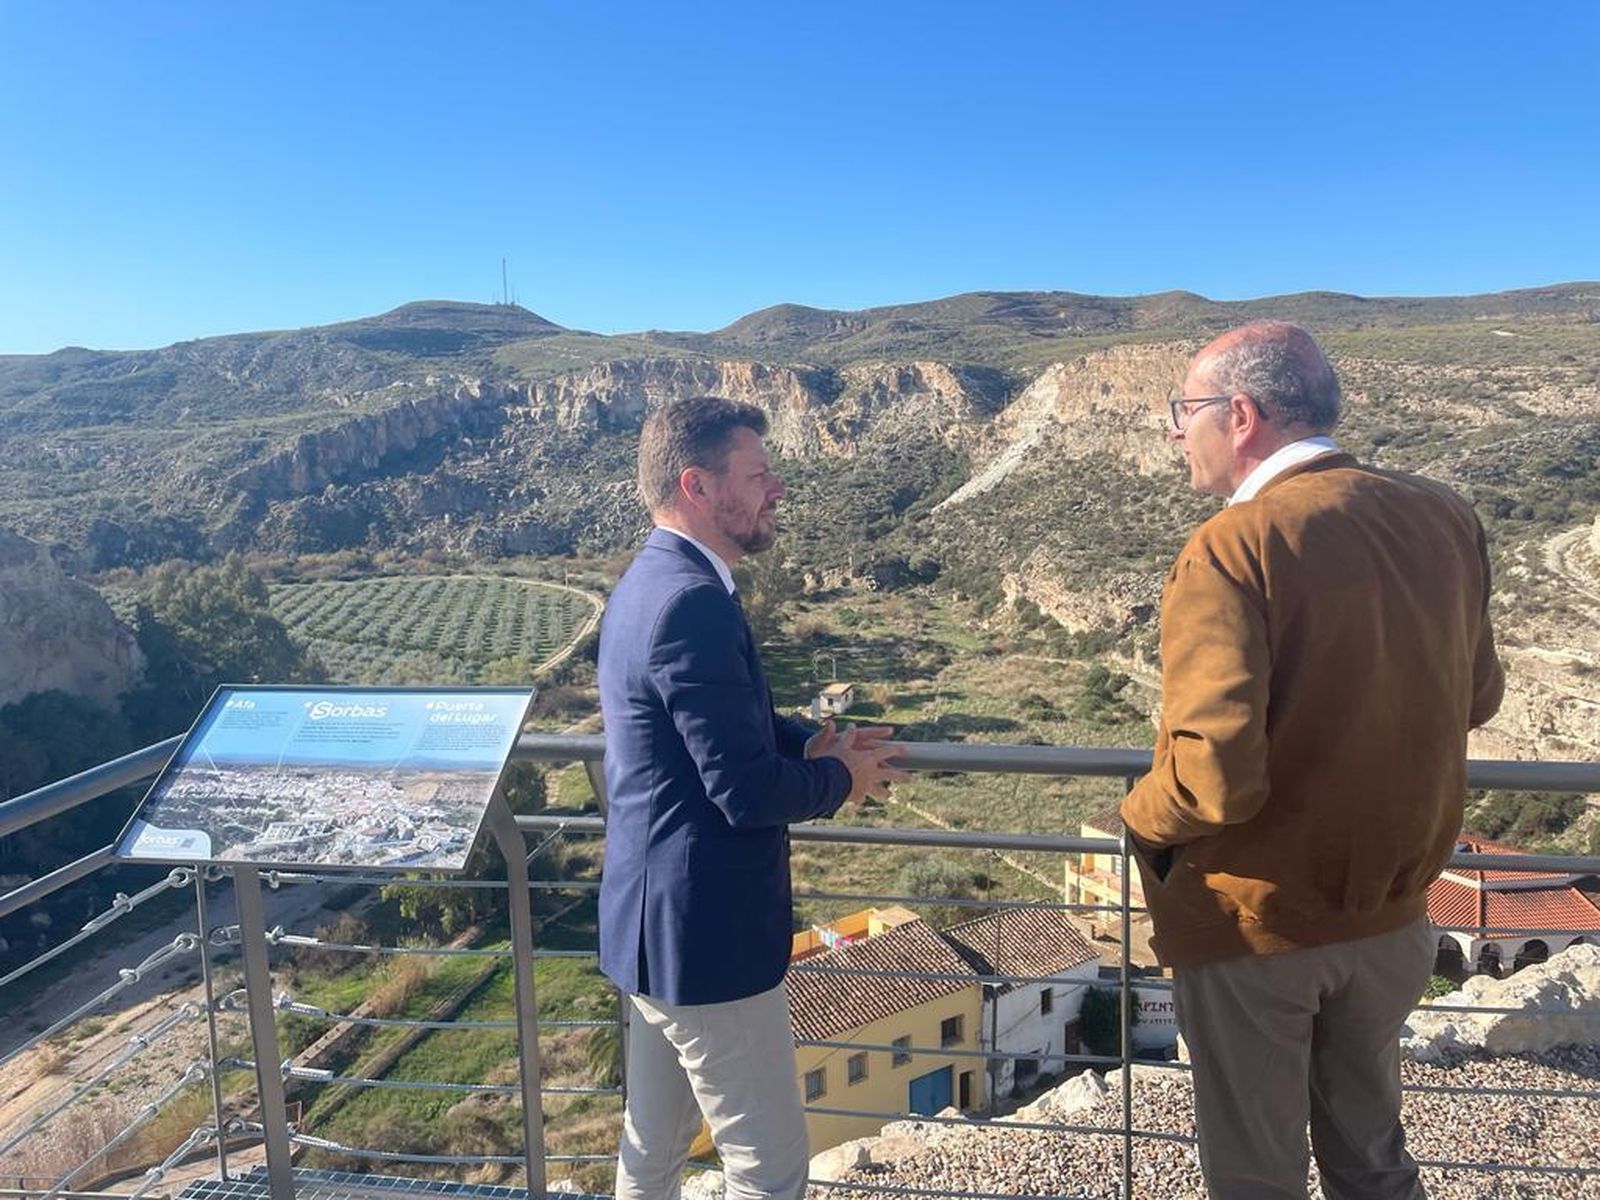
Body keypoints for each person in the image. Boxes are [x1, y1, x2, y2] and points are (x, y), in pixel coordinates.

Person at [1121, 322, 1504, 1200]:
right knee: (1372, 1159)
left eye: (1185, 412)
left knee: (1256, 1174)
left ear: (1241, 415)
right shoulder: (1443, 514)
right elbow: (1477, 698)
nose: (1178, 431)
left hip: (1259, 928)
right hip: (1394, 915)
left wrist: (1137, 818)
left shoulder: (1233, 545)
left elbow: (1214, 774)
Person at [598, 395, 907, 1200]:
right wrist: (845, 779)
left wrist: (807, 737)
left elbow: (725, 718)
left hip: (651, 929)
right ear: (699, 486)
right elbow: (742, 789)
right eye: (759, 473)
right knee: (768, 1169)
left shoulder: (652, 580)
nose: (777, 488)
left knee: (654, 1147)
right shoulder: (694, 601)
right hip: (709, 941)